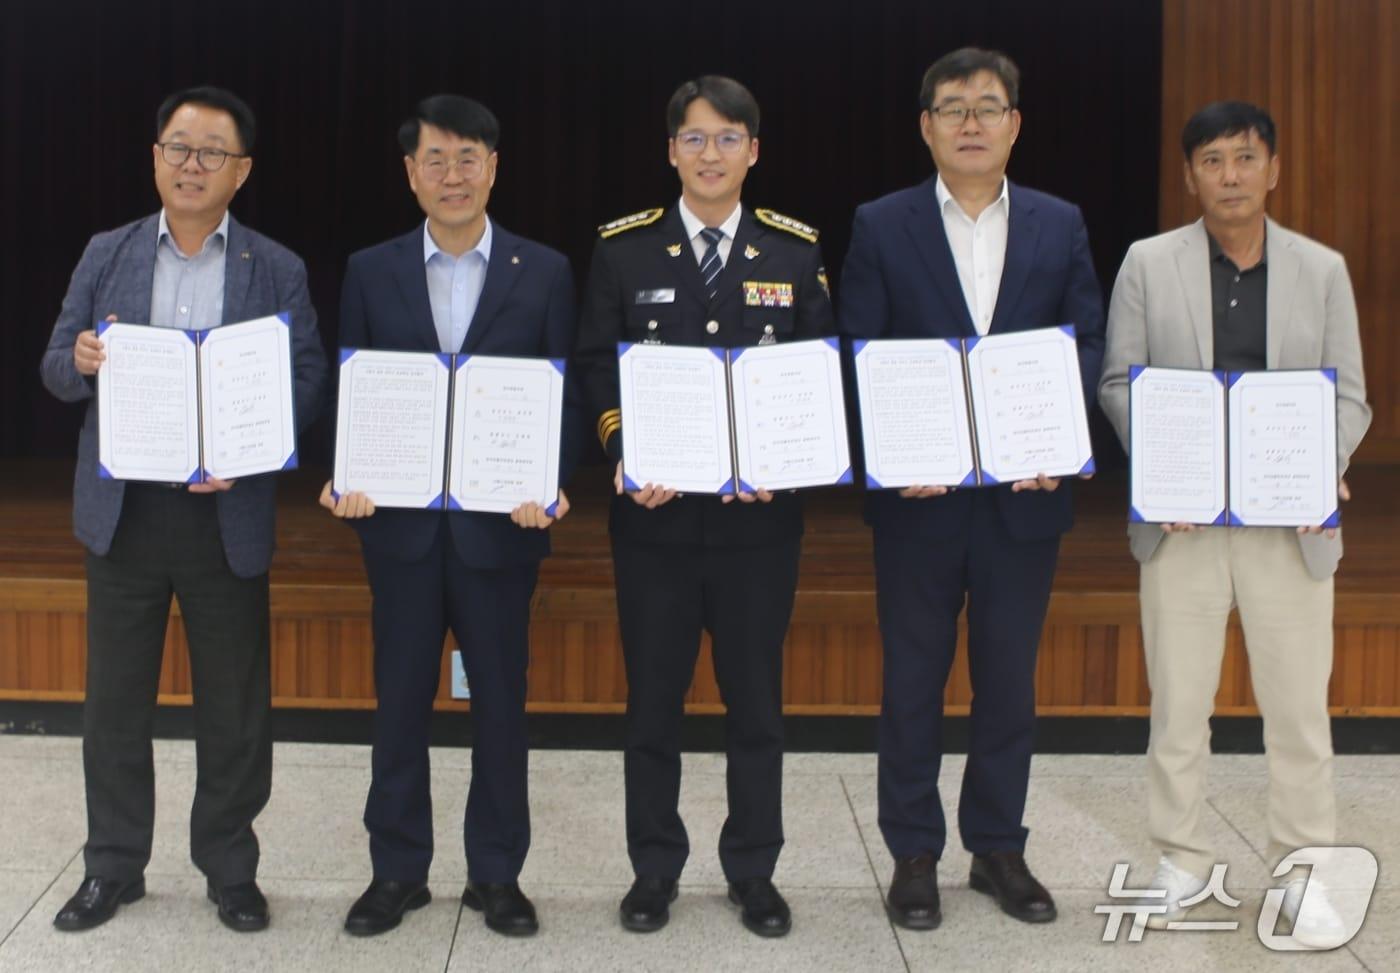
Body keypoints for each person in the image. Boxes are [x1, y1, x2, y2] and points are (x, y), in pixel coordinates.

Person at [39, 86, 328, 933]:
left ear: (242, 170)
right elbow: (53, 365)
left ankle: (230, 869)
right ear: (155, 157)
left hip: (224, 518)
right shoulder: (108, 252)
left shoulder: (275, 266)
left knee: (234, 709)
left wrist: (251, 444)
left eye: (211, 152)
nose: (191, 165)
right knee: (114, 705)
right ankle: (112, 866)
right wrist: (80, 359)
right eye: (178, 147)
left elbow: (308, 378)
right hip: (124, 515)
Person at [836, 47, 1104, 930]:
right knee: (913, 679)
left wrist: (1057, 440)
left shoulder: (1059, 222)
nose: (971, 123)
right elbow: (857, 351)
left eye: (989, 107)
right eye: (953, 108)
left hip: (1025, 495)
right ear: (926, 127)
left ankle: (997, 847)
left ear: (1015, 125)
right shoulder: (883, 223)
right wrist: (891, 451)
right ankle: (914, 851)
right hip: (919, 500)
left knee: (1008, 680)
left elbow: (1087, 342)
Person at [1097, 101, 1370, 946]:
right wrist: (1163, 467)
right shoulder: (1148, 263)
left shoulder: (1321, 269)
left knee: (1299, 713)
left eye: (1245, 158)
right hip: (1182, 526)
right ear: (1190, 176)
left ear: (1273, 169)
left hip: (1287, 527)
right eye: (1211, 160)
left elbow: (1350, 397)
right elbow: (1118, 381)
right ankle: (1180, 860)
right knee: (1179, 707)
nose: (1230, 175)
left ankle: (1302, 873)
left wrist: (1318, 465)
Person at [575, 75, 833, 938]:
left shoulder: (793, 250)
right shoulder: (624, 249)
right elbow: (596, 365)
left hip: (761, 524)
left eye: (727, 138)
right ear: (671, 151)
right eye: (694, 137)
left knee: (755, 707)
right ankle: (654, 868)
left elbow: (817, 369)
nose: (710, 153)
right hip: (655, 521)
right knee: (653, 705)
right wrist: (624, 451)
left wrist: (788, 459)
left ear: (753, 151)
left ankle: (753, 869)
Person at [319, 94, 579, 939]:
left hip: (501, 530)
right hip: (398, 530)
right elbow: (353, 388)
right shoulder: (371, 269)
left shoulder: (545, 271)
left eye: (469, 157)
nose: (453, 174)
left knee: (499, 702)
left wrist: (552, 478)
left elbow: (564, 391)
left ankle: (496, 874)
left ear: (494, 167)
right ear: (410, 172)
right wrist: (346, 476)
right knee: (399, 702)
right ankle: (396, 870)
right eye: (435, 158)